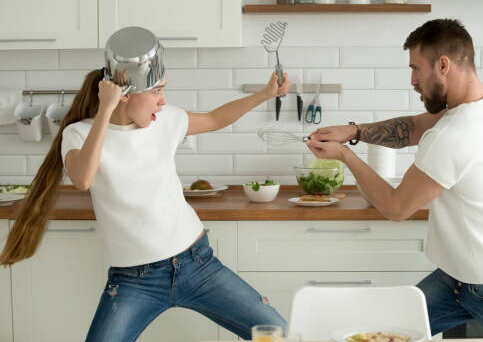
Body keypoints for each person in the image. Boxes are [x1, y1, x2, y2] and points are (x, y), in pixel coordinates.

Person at [0, 26, 289, 341]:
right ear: (124, 96)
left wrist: (265, 94)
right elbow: (83, 178)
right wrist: (105, 110)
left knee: (276, 330)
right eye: (156, 91)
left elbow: (215, 119)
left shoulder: (166, 121)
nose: (163, 102)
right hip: (134, 281)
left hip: (197, 263)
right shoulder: (79, 134)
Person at [305, 19, 483, 336]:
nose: (413, 80)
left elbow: (395, 208)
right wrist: (354, 132)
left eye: (416, 69)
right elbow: (414, 127)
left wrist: (346, 155)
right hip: (463, 277)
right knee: (379, 331)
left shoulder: (453, 136)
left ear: (444, 65)